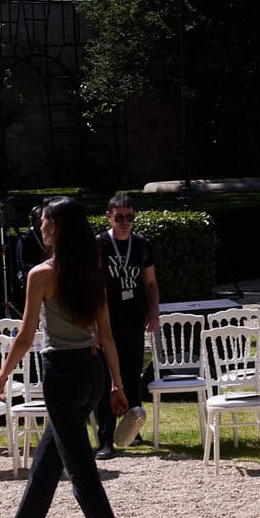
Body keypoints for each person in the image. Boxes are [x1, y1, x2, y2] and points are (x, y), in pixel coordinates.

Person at [0, 196, 132, 518]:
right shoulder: (93, 269)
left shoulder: (42, 274)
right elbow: (105, 334)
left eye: (47, 222)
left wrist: (2, 376)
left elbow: (25, 334)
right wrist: (117, 384)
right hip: (92, 374)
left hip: (62, 375)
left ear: (60, 228)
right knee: (50, 454)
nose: (41, 227)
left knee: (82, 474)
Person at [95, 193, 159, 456]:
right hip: (105, 320)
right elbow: (92, 286)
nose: (124, 222)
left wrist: (154, 310)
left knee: (131, 376)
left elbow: (150, 283)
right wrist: (92, 324)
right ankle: (106, 439)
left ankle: (131, 431)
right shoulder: (99, 244)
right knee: (106, 379)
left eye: (129, 217)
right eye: (119, 217)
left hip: (133, 319)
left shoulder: (141, 244)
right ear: (108, 216)